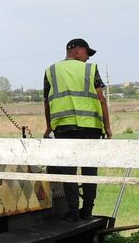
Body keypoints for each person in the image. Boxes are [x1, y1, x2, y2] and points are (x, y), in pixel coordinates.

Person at [43, 38, 113, 220]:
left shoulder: (51, 71)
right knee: (90, 171)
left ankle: (73, 213)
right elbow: (102, 100)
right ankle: (87, 212)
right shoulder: (90, 70)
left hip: (64, 127)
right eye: (86, 53)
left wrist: (48, 126)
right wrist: (108, 126)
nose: (87, 57)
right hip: (90, 127)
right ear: (75, 50)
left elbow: (47, 101)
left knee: (68, 172)